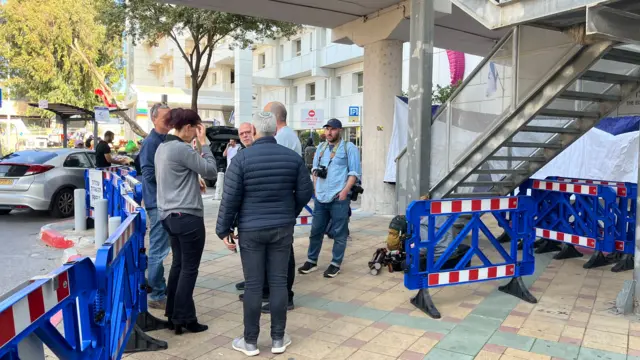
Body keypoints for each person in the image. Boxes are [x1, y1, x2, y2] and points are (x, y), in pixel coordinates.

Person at [216, 111, 313, 357]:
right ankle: (278, 339)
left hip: (250, 230)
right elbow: (305, 192)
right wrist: (289, 211)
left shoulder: (241, 159)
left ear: (256, 132)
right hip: (282, 228)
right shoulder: (293, 158)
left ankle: (250, 342)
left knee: (253, 285)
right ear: (275, 131)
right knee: (279, 282)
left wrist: (223, 230)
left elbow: (230, 198)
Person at [155, 108, 217, 335]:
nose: (196, 134)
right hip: (187, 217)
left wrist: (193, 180)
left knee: (179, 266)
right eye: (196, 129)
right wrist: (205, 143)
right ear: (189, 127)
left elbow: (175, 177)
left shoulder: (162, 148)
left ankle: (173, 314)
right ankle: (184, 318)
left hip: (169, 216)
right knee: (189, 269)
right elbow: (211, 171)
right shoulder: (181, 149)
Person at [298, 119, 361, 278]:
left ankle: (335, 264)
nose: (328, 133)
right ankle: (312, 261)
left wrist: (345, 191)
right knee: (315, 231)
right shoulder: (320, 147)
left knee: (339, 233)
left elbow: (354, 172)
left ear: (339, 130)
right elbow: (314, 170)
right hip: (321, 197)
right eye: (326, 129)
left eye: (332, 129)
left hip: (338, 197)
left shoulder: (349, 148)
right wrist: (315, 189)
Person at [139, 103, 172, 309]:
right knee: (158, 250)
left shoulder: (165, 140)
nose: (168, 120)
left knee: (162, 249)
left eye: (170, 117)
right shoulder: (151, 143)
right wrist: (173, 180)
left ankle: (159, 287)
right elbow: (148, 174)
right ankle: (156, 294)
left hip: (165, 202)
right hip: (157, 204)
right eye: (164, 118)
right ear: (153, 119)